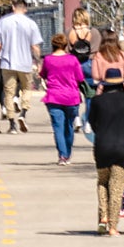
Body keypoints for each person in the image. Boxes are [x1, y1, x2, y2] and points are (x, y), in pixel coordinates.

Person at [88, 67, 124, 235]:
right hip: (122, 149)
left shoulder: (97, 101)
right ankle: (113, 227)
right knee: (117, 187)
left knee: (102, 182)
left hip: (102, 148)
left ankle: (103, 217)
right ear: (122, 84)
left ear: (104, 84)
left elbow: (92, 124)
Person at [0, 0, 43, 134]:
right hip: (25, 62)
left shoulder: (2, 22)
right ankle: (23, 113)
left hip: (7, 62)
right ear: (25, 9)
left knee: (9, 92)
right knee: (26, 88)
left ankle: (12, 124)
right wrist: (39, 62)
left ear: (13, 7)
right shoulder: (31, 24)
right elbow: (35, 46)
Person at [39, 33, 87, 164]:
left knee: (58, 127)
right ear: (66, 45)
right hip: (71, 97)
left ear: (53, 45)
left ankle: (62, 155)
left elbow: (43, 74)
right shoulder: (73, 60)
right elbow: (80, 78)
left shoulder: (48, 60)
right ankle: (68, 153)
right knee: (69, 126)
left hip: (54, 97)